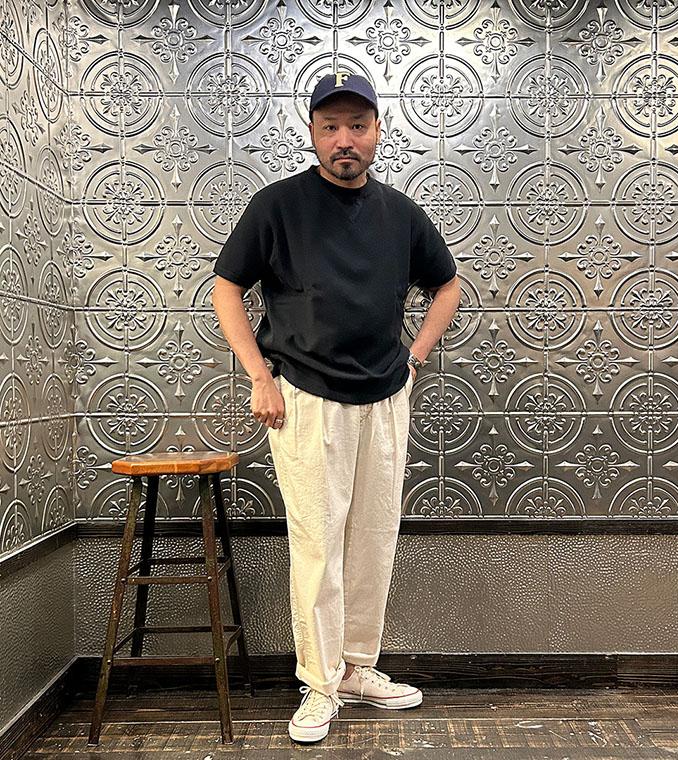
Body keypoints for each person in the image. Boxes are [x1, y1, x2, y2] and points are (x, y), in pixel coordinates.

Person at [211, 71, 460, 744]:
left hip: (385, 396)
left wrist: (416, 357)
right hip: (305, 397)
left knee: (374, 539)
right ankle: (319, 684)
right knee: (319, 544)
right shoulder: (277, 206)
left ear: (377, 131)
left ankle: (355, 668)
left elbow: (447, 284)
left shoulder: (401, 214)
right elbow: (227, 288)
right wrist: (259, 376)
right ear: (313, 133)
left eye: (357, 125)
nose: (344, 139)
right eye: (330, 127)